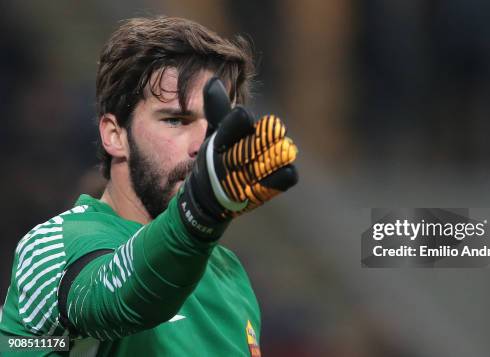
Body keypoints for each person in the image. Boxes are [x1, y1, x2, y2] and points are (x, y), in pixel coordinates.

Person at [0, 16, 298, 356]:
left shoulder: (230, 275)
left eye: (217, 124)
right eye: (176, 120)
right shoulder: (52, 247)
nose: (203, 144)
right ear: (115, 135)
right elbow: (117, 301)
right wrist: (198, 211)